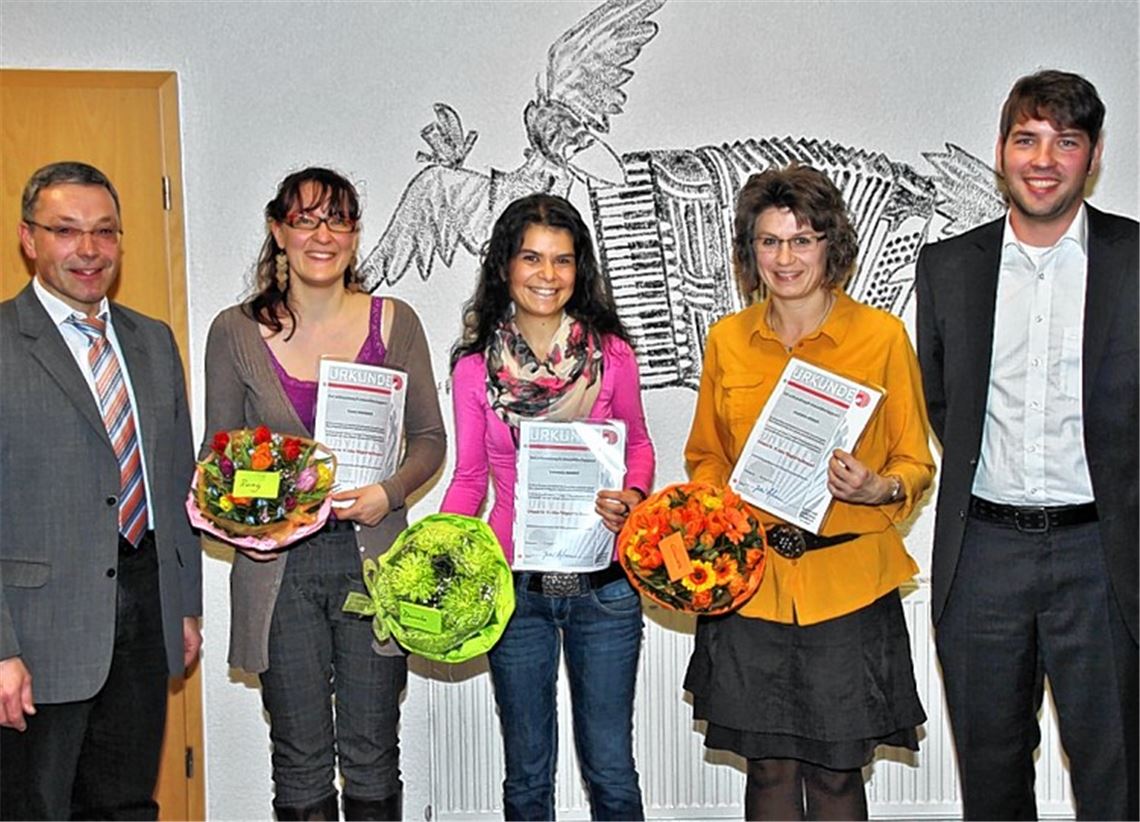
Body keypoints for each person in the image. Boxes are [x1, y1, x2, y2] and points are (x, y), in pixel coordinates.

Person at [916, 69, 1138, 820]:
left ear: (1093, 154)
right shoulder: (949, 267)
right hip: (984, 556)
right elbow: (944, 400)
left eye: (1065, 142)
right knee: (993, 778)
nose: (1043, 159)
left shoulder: (1136, 260)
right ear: (1003, 149)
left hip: (1104, 557)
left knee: (1118, 779)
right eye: (1027, 139)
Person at [683, 164, 933, 820]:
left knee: (836, 776)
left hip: (848, 587)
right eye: (769, 242)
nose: (785, 258)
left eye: (802, 240)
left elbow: (915, 461)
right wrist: (719, 499)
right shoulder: (727, 342)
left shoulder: (881, 337)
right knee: (766, 772)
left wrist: (880, 486)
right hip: (751, 587)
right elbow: (705, 456)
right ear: (750, 252)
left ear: (831, 246)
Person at [202, 167, 446, 821]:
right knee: (301, 761)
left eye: (338, 219)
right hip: (278, 572)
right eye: (306, 219)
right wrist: (249, 527)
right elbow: (215, 462)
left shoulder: (394, 323)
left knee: (372, 753)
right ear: (278, 231)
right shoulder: (234, 332)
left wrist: (389, 493)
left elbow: (429, 438)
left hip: (373, 560)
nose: (322, 234)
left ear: (355, 234)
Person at [441, 193, 655, 821]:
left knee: (611, 771)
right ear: (505, 265)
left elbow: (638, 444)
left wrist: (633, 497)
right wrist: (441, 551)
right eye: (532, 257)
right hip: (515, 591)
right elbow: (469, 478)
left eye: (563, 260)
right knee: (527, 777)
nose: (547, 274)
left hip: (605, 589)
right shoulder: (473, 368)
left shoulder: (611, 354)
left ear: (579, 269)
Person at [0, 161, 203, 820]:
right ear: (30, 239)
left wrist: (185, 604)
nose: (89, 250)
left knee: (124, 807)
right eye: (66, 230)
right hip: (35, 637)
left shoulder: (152, 341)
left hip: (143, 619)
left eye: (105, 232)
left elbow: (176, 481)